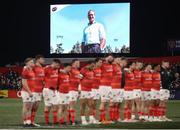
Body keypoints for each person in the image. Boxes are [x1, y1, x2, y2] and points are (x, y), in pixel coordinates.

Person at [43, 59, 61, 125]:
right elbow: (42, 76)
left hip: (53, 90)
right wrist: (47, 83)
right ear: (54, 63)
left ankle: (47, 122)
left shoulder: (57, 70)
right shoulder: (47, 68)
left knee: (48, 105)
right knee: (55, 105)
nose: (58, 67)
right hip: (49, 90)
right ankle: (55, 121)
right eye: (58, 65)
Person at [79, 61, 97, 125]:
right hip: (83, 90)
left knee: (91, 104)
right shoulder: (83, 70)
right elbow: (79, 79)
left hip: (90, 90)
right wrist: (79, 89)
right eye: (92, 66)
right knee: (83, 105)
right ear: (88, 65)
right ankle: (83, 120)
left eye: (94, 66)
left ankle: (91, 119)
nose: (93, 67)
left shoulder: (92, 71)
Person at [99, 54, 114, 124]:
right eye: (109, 57)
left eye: (112, 58)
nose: (111, 59)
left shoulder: (111, 65)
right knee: (103, 102)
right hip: (103, 86)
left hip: (109, 86)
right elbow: (95, 66)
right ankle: (102, 119)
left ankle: (106, 118)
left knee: (109, 103)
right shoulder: (102, 64)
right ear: (106, 58)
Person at [31, 55, 45, 126]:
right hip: (34, 89)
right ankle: (27, 121)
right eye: (42, 59)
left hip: (40, 90)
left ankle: (32, 121)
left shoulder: (41, 68)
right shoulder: (33, 67)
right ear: (38, 59)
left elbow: (42, 78)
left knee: (36, 107)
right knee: (31, 106)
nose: (44, 60)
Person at [21, 57, 35, 127]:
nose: (33, 63)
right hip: (26, 92)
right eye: (31, 62)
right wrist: (29, 91)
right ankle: (24, 122)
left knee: (30, 107)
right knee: (26, 107)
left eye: (33, 62)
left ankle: (28, 121)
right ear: (27, 63)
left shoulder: (31, 70)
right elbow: (24, 82)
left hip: (32, 91)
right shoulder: (25, 70)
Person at [68, 59, 82, 125]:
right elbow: (63, 70)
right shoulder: (71, 69)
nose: (79, 64)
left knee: (71, 105)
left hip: (75, 90)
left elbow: (78, 80)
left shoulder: (77, 71)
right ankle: (72, 121)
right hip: (71, 90)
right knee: (72, 105)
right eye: (77, 62)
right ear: (73, 63)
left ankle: (70, 120)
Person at [109, 57, 123, 122]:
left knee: (117, 103)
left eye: (120, 60)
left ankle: (116, 117)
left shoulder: (119, 67)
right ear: (114, 60)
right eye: (118, 59)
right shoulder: (112, 66)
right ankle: (111, 118)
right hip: (113, 87)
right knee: (112, 103)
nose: (119, 60)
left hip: (118, 87)